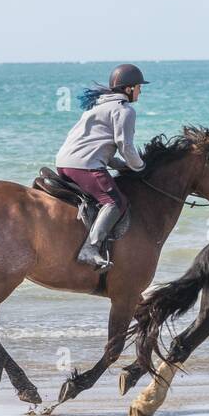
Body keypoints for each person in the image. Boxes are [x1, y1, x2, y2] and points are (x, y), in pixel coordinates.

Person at [56, 63, 146, 269]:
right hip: (85, 166)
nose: (141, 91)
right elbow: (126, 146)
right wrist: (139, 167)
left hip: (65, 163)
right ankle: (90, 248)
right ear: (129, 88)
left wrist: (121, 166)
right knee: (115, 202)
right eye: (139, 87)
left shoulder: (98, 107)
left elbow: (100, 147)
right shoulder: (124, 111)